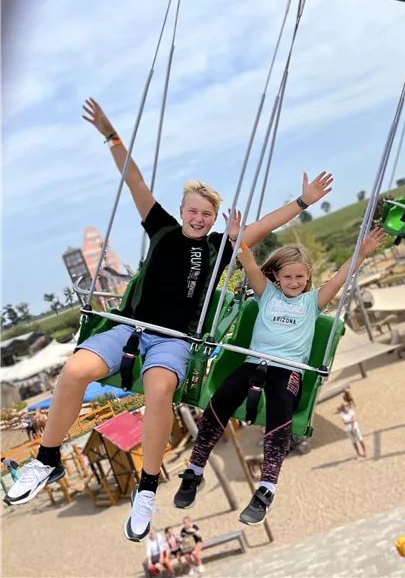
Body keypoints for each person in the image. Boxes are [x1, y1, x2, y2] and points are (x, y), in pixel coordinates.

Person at [3, 98, 334, 545]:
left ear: (214, 220)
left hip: (173, 341)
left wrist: (303, 200)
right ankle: (47, 460)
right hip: (129, 328)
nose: (198, 219)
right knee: (74, 371)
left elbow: (261, 227)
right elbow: (135, 180)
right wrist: (112, 137)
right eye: (193, 211)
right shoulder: (160, 228)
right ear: (182, 211)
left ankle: (146, 488)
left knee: (159, 391)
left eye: (207, 215)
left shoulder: (218, 249)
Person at [173, 219, 385, 525]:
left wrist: (361, 253)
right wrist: (237, 238)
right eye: (288, 276)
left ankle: (266, 488)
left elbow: (340, 278)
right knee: (222, 396)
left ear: (308, 276)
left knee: (281, 404)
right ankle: (195, 471)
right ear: (277, 277)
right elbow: (248, 263)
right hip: (254, 364)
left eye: (300, 276)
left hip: (288, 372)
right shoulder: (267, 294)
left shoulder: (312, 302)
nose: (294, 282)